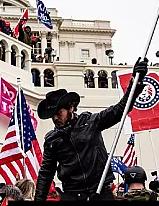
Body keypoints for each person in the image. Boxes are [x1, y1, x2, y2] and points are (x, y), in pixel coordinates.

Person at [34, 58, 148, 201]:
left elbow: (120, 109)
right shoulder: (52, 139)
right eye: (53, 115)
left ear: (71, 108)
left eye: (59, 113)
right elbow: (46, 173)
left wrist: (135, 83)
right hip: (72, 195)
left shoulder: (91, 122)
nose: (55, 118)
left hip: (100, 192)